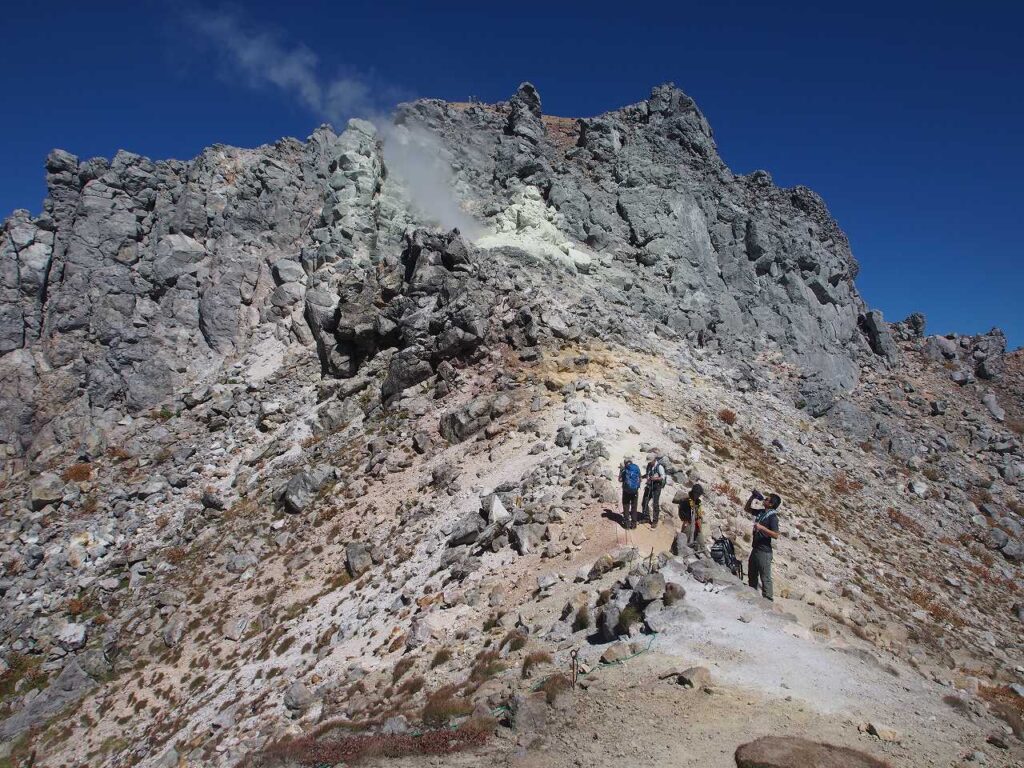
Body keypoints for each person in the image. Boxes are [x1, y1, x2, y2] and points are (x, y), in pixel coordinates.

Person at [745, 490, 781, 600]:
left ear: (771, 504)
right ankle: (753, 596)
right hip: (755, 548)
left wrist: (762, 528)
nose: (764, 500)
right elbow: (747, 509)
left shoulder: (772, 517)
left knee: (765, 577)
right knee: (752, 574)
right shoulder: (761, 512)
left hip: (764, 552)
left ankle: (768, 600)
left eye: (767, 499)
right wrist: (752, 497)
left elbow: (776, 535)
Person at [641, 454, 667, 527]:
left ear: (654, 460)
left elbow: (662, 477)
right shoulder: (649, 465)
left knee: (655, 504)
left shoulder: (659, 467)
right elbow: (647, 474)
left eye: (650, 461)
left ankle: (655, 521)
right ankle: (646, 518)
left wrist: (655, 478)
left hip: (656, 487)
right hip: (649, 486)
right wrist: (641, 477)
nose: (649, 462)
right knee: (644, 502)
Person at [679, 484, 706, 553]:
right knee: (683, 541)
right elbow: (682, 514)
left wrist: (699, 519)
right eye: (698, 494)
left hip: (697, 525)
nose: (698, 496)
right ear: (694, 492)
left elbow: (699, 513)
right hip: (688, 524)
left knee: (701, 542)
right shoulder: (686, 501)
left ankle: (704, 552)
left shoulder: (698, 502)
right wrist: (688, 519)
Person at [618, 457, 641, 529]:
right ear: (631, 462)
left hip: (626, 491)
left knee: (626, 506)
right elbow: (640, 478)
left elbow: (620, 479)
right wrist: (637, 486)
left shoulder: (624, 469)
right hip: (635, 491)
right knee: (634, 507)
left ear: (625, 463)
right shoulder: (636, 467)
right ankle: (634, 525)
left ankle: (627, 525)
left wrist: (620, 472)